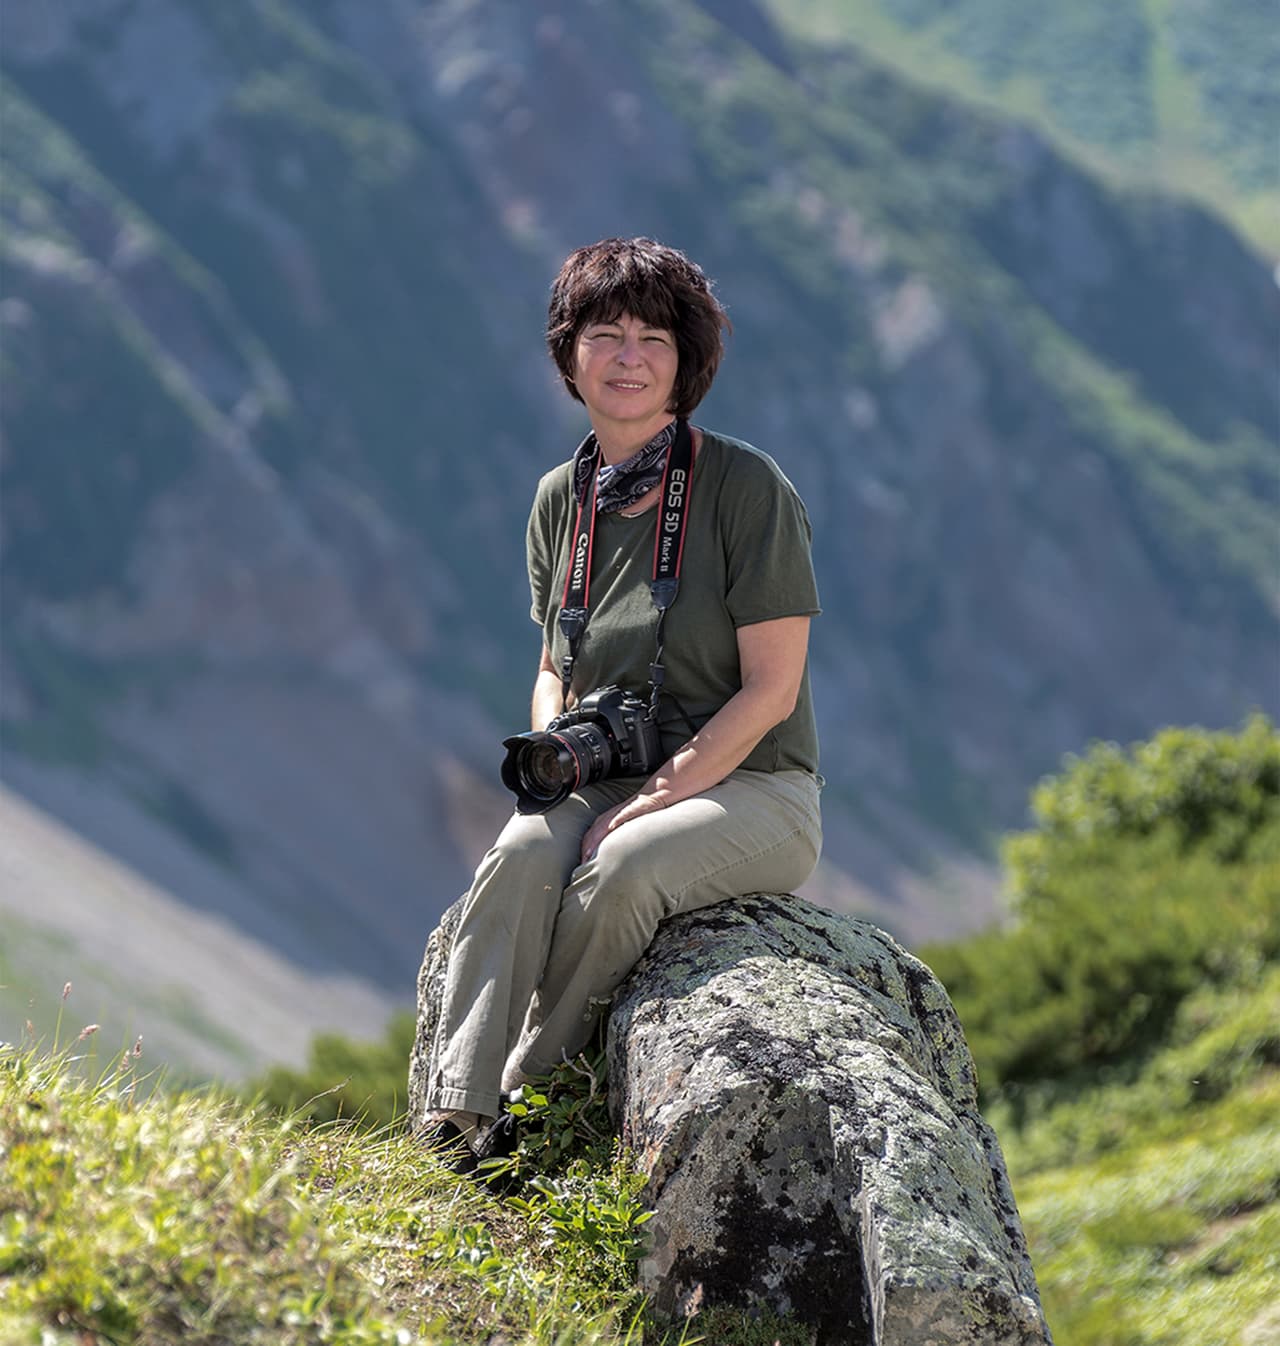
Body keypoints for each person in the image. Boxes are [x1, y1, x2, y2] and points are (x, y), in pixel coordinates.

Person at [422, 236, 823, 1168]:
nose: (628, 357)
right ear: (570, 357)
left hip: (757, 785)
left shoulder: (745, 488)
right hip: (612, 773)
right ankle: (453, 1116)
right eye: (604, 334)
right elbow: (552, 662)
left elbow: (773, 689)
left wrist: (658, 795)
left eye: (654, 338)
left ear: (687, 363)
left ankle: (530, 1106)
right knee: (522, 850)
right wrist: (559, 746)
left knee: (624, 867)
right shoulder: (560, 499)